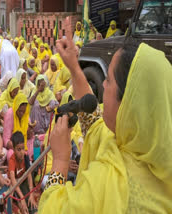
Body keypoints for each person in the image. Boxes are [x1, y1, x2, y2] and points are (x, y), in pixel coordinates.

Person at [39, 17, 172, 213]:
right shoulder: (147, 148)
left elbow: (52, 209)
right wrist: (74, 67)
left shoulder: (109, 184)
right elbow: (94, 123)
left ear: (127, 103)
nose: (102, 85)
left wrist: (59, 161)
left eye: (108, 80)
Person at [8, 131, 38, 214]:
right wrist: (22, 199)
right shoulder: (12, 160)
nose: (21, 152)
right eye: (18, 149)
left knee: (30, 202)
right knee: (22, 205)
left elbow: (29, 175)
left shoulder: (25, 156)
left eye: (23, 148)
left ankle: (31, 207)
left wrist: (31, 194)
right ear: (13, 149)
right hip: (15, 183)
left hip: (23, 179)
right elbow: (13, 180)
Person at [3, 92, 35, 161]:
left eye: (23, 111)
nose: (21, 113)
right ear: (16, 107)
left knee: (36, 144)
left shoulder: (25, 114)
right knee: (11, 154)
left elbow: (29, 137)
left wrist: (29, 131)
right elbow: (6, 139)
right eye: (19, 111)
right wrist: (19, 149)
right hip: (14, 146)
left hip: (24, 144)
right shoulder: (10, 114)